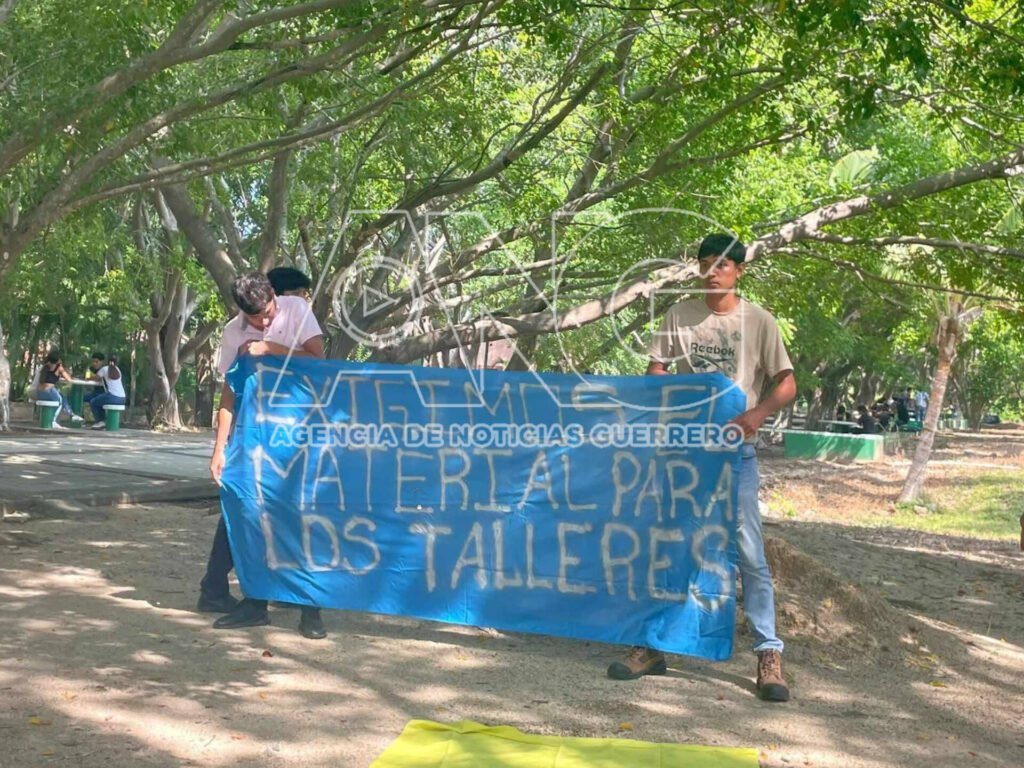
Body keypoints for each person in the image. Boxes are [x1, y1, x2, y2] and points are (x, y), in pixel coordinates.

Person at [606, 233, 796, 703]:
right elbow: (657, 370)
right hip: (684, 451)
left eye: (723, 265)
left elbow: (786, 384)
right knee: (668, 543)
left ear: (739, 270)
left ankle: (768, 654)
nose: (713, 272)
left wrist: (756, 415)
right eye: (706, 263)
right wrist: (666, 400)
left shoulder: (760, 322)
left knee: (748, 551)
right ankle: (652, 645)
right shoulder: (680, 315)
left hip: (736, 455)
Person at [199, 271, 328, 639]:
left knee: (301, 517)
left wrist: (270, 348)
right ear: (241, 312)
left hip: (302, 433)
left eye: (269, 312)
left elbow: (318, 360)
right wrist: (219, 450)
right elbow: (228, 395)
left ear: (273, 295)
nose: (266, 321)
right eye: (257, 319)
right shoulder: (232, 333)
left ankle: (311, 610)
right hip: (255, 439)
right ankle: (255, 603)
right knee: (250, 515)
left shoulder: (297, 309)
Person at [34, 352, 84, 428]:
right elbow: (68, 379)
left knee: (62, 396)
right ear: (57, 360)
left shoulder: (45, 367)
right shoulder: (58, 367)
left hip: (40, 392)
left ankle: (72, 414)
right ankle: (53, 421)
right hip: (49, 391)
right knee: (59, 402)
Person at [88, 354, 127, 428]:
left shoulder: (105, 369)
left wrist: (88, 374)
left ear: (107, 361)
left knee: (93, 402)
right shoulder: (118, 369)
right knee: (99, 401)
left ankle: (100, 421)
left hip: (112, 396)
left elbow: (95, 378)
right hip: (122, 398)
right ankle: (103, 421)